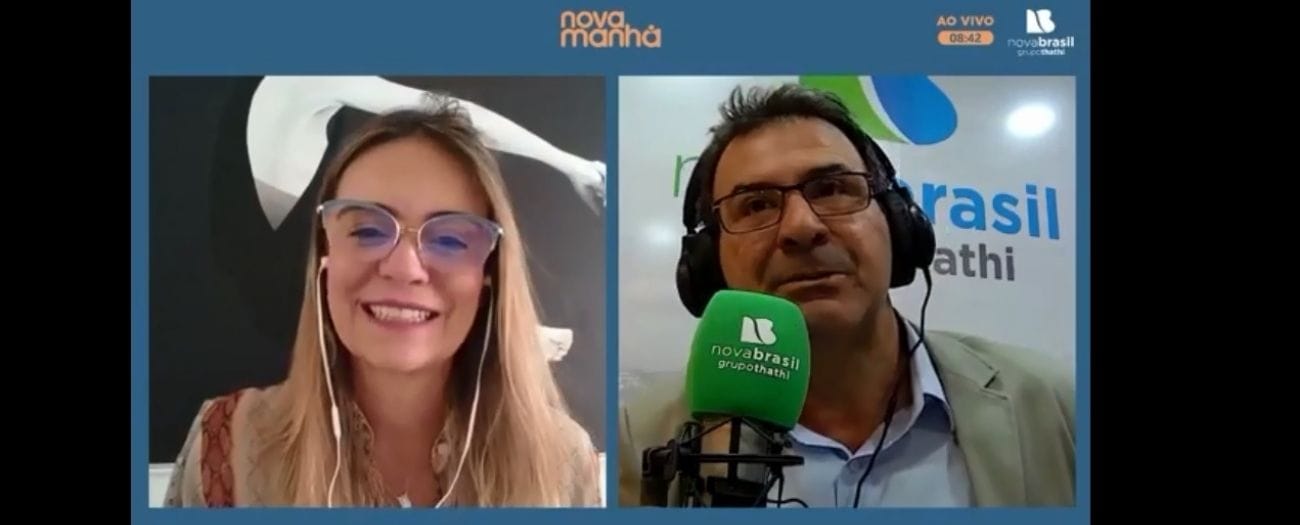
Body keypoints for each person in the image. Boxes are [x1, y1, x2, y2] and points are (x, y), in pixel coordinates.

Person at [617, 84, 1075, 507]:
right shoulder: (638, 439)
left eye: (832, 189)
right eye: (756, 205)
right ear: (709, 261)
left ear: (898, 221)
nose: (801, 227)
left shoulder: (1053, 403)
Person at [164, 98, 601, 507]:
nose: (405, 268)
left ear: (488, 273)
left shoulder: (562, 465)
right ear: (326, 255)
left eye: (450, 239)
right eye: (368, 231)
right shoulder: (227, 448)